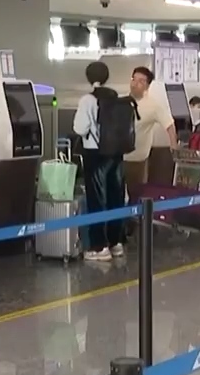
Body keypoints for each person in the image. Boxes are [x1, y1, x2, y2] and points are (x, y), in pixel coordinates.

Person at [72, 61, 130, 260]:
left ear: (89, 78)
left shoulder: (88, 100)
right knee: (115, 197)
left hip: (95, 154)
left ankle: (99, 247)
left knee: (97, 199)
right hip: (116, 153)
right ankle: (116, 243)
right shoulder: (116, 97)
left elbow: (79, 128)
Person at [121, 66, 177, 197]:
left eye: (141, 81)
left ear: (147, 86)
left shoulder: (153, 105)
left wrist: (173, 145)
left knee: (135, 194)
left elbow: (169, 125)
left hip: (137, 159)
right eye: (134, 79)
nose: (135, 84)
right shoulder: (121, 101)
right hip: (116, 157)